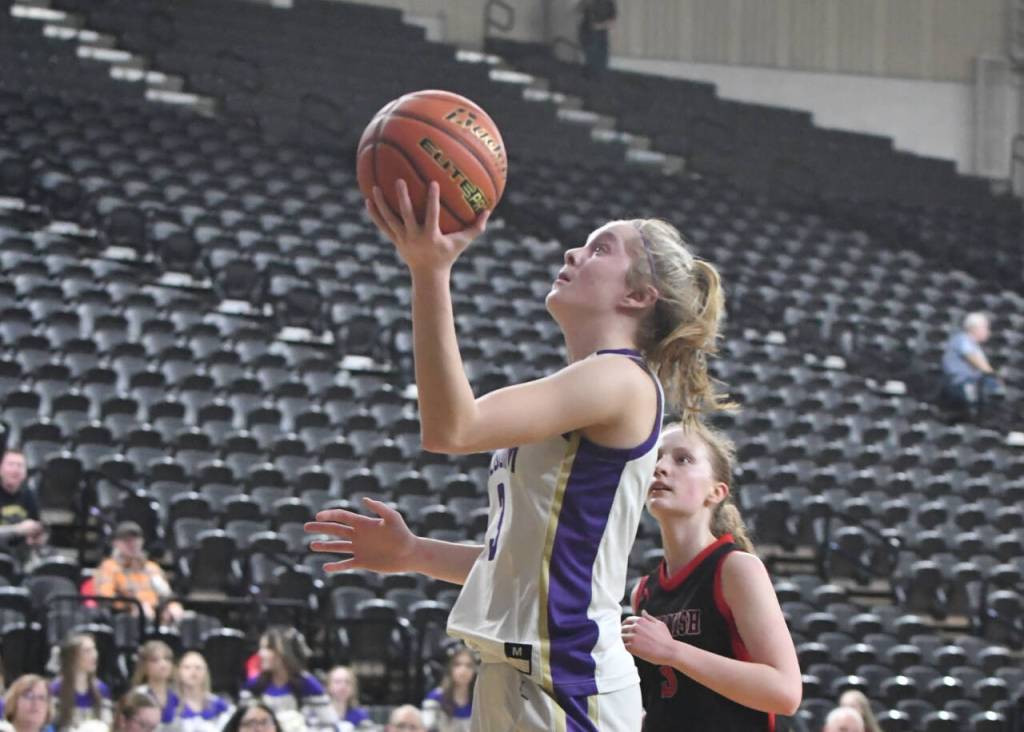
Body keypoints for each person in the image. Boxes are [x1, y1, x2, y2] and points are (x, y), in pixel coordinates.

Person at [309, 178, 729, 730]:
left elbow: (451, 428)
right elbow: (526, 564)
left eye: (601, 247)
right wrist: (414, 552)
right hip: (523, 675)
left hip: (569, 682)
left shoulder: (620, 378)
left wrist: (430, 270)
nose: (573, 251)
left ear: (638, 296)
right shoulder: (582, 386)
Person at [621, 421, 801, 731]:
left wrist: (673, 651)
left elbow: (785, 693)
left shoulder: (735, 569)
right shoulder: (644, 591)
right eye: (657, 457)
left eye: (683, 459)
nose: (661, 467)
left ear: (716, 492)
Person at [92, 522, 183, 626]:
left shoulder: (151, 567)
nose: (132, 544)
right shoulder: (109, 567)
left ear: (142, 541)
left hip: (156, 613)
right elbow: (105, 598)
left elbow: (165, 593)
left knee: (185, 617)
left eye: (135, 539)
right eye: (126, 540)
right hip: (125, 616)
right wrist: (133, 605)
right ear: (116, 543)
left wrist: (172, 605)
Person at [242, 628, 328, 726]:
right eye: (261, 648)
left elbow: (329, 723)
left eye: (268, 648)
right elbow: (243, 724)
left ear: (284, 652)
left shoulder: (307, 683)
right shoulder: (254, 685)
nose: (261, 654)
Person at [940, 312, 1004, 418]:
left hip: (971, 385)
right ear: (974, 328)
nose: (988, 332)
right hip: (959, 385)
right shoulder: (962, 339)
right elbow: (975, 360)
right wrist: (993, 375)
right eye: (985, 328)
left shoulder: (975, 346)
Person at [50, 634, 113, 732]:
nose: (95, 655)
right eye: (87, 651)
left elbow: (107, 723)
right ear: (73, 656)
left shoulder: (101, 689)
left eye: (94, 649)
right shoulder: (56, 689)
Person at [0, 450, 47, 554]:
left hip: (20, 554)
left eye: (20, 465)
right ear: (1, 469)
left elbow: (38, 526)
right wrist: (17, 530)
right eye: (11, 464)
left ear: (25, 472)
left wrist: (37, 537)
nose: (15, 470)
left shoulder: (29, 494)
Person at [174, 653, 232, 732]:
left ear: (206, 672)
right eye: (187, 667)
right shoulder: (172, 703)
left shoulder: (218, 704)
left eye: (198, 668)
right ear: (179, 672)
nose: (193, 671)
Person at [421, 647, 475, 732]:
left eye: (468, 665)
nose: (463, 670)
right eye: (457, 664)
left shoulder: (478, 701)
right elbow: (426, 727)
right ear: (450, 668)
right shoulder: (435, 697)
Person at [129, 643, 179, 726]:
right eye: (155, 660)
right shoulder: (137, 696)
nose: (163, 664)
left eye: (167, 659)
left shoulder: (178, 696)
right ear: (144, 666)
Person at [576, 0, 617, 77]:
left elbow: (612, 19)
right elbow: (592, 24)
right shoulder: (589, 3)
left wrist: (606, 24)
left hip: (602, 33)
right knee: (592, 59)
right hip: (589, 33)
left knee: (602, 58)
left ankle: (599, 77)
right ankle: (591, 77)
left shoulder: (609, 2)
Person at [322, 667, 368, 732]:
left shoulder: (360, 715)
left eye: (347, 682)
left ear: (353, 688)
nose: (343, 685)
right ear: (328, 686)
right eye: (338, 682)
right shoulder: (319, 715)